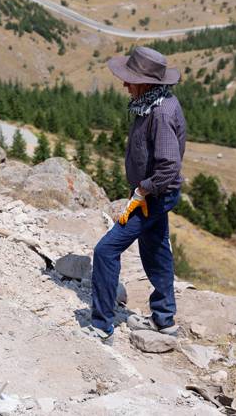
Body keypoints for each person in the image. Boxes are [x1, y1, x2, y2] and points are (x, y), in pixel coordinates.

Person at [89, 46, 186, 342]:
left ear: (147, 83)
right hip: (155, 194)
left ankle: (101, 324)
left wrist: (144, 190)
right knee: (156, 250)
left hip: (153, 196)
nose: (124, 84)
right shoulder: (152, 103)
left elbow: (169, 165)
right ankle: (164, 319)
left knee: (105, 251)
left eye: (130, 79)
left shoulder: (160, 112)